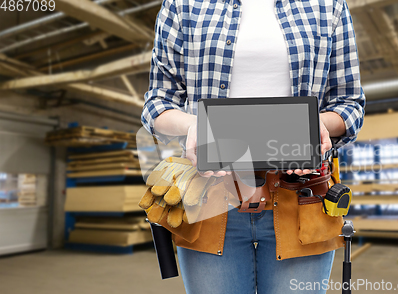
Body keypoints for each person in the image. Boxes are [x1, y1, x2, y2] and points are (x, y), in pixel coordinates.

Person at [142, 0, 365, 293]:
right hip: (210, 196)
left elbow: (350, 104)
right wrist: (192, 125)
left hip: (301, 196)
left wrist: (316, 124)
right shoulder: (183, 5)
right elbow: (158, 102)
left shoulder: (328, 5)